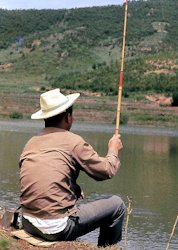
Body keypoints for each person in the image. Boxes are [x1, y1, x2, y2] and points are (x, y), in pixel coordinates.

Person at [19, 88, 125, 247]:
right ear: (68, 117)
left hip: (28, 223)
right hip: (56, 228)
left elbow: (45, 177)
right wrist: (113, 149)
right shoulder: (73, 141)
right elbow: (106, 171)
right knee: (117, 205)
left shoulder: (30, 143)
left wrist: (74, 188)